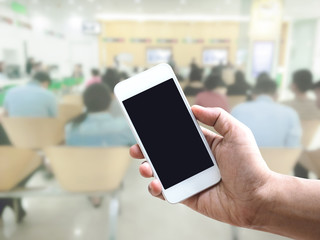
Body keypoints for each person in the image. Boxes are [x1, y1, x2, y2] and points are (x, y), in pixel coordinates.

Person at [131, 106, 320, 239]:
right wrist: (259, 197)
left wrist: (260, 198)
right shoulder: (290, 114)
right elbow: (295, 145)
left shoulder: (242, 110)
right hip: (284, 163)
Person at [232, 78, 301, 147]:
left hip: (244, 157)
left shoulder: (238, 110)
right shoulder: (290, 113)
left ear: (253, 94)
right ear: (276, 95)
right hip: (279, 157)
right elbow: (293, 146)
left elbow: (230, 141)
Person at [65, 83, 135, 146]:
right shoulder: (126, 126)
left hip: (81, 160)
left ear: (85, 103)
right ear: (109, 102)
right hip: (118, 160)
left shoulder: (71, 128)